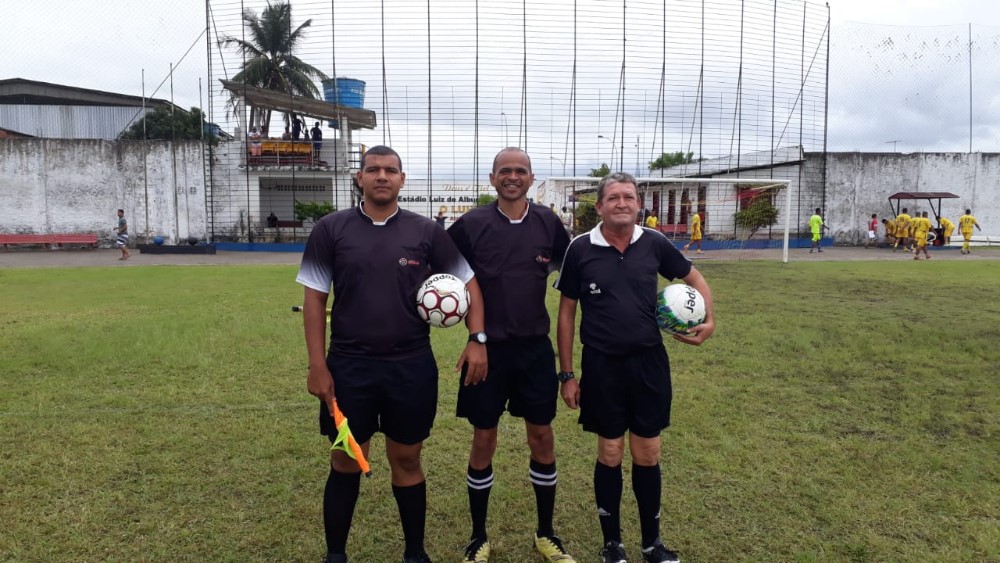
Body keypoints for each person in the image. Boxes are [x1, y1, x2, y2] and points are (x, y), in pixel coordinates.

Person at [296, 145, 487, 563]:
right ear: (360, 178)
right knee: (347, 458)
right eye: (373, 169)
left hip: (410, 366)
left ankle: (415, 554)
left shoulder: (426, 232)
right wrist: (317, 365)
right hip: (349, 366)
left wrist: (477, 338)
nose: (381, 176)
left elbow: (468, 283)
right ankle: (335, 555)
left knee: (407, 459)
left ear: (402, 179)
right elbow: (314, 300)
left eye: (390, 170)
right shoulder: (331, 229)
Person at [554, 172, 715, 563]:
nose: (622, 203)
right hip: (601, 365)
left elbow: (694, 277)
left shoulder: (654, 242)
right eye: (613, 197)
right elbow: (566, 313)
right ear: (599, 206)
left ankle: (652, 544)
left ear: (639, 204)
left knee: (648, 452)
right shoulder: (580, 248)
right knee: (610, 451)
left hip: (649, 363)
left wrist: (709, 320)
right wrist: (567, 374)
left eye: (628, 196)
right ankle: (613, 545)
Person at [447, 148, 574, 563]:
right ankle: (478, 537)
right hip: (485, 350)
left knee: (542, 436)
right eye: (505, 171)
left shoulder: (548, 223)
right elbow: (443, 275)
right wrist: (475, 336)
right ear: (492, 178)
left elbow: (574, 272)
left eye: (520, 171)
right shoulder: (471, 225)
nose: (513, 177)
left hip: (535, 350)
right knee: (484, 437)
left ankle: (546, 533)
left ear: (531, 178)